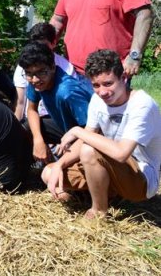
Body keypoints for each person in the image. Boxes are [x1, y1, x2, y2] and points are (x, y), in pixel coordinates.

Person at [42, 49, 161, 219]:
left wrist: (77, 131)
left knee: (89, 150)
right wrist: (60, 164)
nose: (102, 91)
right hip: (112, 166)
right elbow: (88, 137)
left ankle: (99, 211)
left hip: (141, 179)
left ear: (123, 78)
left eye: (108, 83)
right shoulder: (98, 100)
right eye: (96, 85)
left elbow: (121, 153)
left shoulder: (142, 104)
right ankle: (106, 193)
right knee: (48, 172)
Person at [18, 42, 93, 164]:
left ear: (53, 67)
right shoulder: (36, 81)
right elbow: (32, 110)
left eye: (41, 72)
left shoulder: (67, 92)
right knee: (26, 128)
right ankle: (47, 164)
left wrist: (63, 162)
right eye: (29, 73)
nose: (35, 79)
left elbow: (93, 130)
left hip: (86, 133)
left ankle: (58, 169)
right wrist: (38, 141)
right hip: (65, 127)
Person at [13, 23, 77, 138]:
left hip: (60, 119)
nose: (35, 78)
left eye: (41, 72)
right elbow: (21, 103)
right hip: (34, 116)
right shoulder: (27, 70)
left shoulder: (66, 70)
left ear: (53, 43)